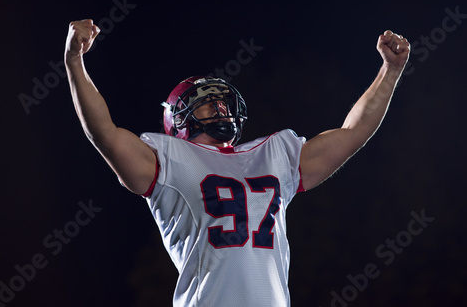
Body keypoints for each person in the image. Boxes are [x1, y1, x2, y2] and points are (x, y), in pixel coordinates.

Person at [64, 19, 410, 306]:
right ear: (179, 118)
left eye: (223, 101)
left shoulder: (275, 153)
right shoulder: (167, 158)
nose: (220, 107)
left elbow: (353, 132)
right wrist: (74, 62)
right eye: (205, 101)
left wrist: (390, 72)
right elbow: (103, 133)